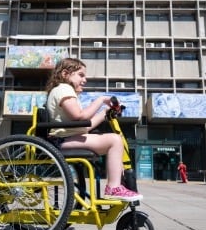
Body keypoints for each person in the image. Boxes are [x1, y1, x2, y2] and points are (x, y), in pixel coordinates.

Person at [45, 57, 143, 202]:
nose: (85, 80)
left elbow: (85, 125)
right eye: (81, 75)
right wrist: (101, 100)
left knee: (113, 141)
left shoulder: (62, 91)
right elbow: (80, 116)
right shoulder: (64, 89)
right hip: (61, 141)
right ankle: (114, 188)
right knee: (115, 140)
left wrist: (105, 113)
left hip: (65, 139)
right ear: (65, 74)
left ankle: (117, 185)